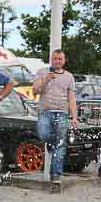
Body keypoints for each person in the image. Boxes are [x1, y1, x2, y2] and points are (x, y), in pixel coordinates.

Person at [32, 49, 80, 183]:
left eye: (60, 59)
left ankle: (56, 175)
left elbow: (72, 99)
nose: (57, 61)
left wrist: (75, 117)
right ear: (51, 59)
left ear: (64, 61)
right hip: (45, 112)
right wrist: (45, 80)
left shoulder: (69, 77)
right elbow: (34, 90)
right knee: (43, 135)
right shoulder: (42, 72)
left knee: (60, 144)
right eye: (55, 58)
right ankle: (54, 144)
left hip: (62, 113)